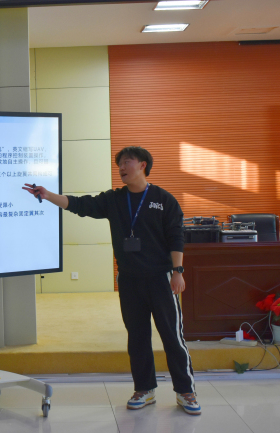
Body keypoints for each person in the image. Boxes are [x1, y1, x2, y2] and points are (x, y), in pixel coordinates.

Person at [22, 146, 200, 415]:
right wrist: (48, 196)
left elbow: (176, 236)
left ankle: (186, 391)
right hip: (129, 280)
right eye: (119, 164)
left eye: (127, 162)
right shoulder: (115, 199)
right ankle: (145, 389)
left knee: (172, 337)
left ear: (143, 165)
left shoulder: (163, 199)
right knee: (137, 338)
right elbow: (80, 205)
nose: (121, 168)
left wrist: (178, 271)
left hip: (161, 279)